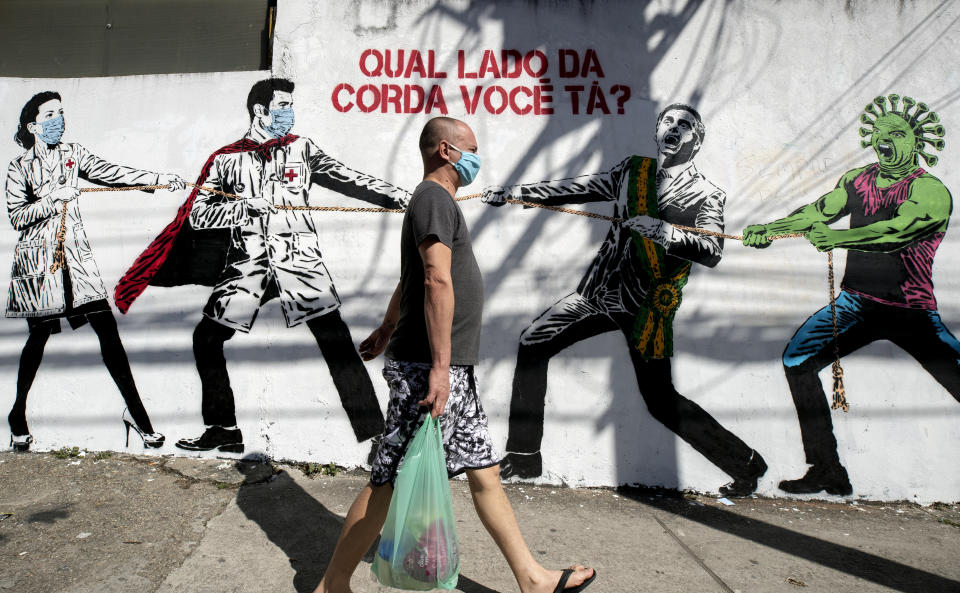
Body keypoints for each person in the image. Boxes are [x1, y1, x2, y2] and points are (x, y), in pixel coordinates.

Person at [313, 116, 596, 593]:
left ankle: (532, 579)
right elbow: (433, 279)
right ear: (447, 150)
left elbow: (409, 277)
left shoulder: (435, 202)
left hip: (448, 367)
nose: (476, 159)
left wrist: (386, 326)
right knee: (386, 480)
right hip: (430, 368)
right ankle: (331, 585)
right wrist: (440, 369)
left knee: (484, 471)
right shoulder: (432, 199)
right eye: (471, 149)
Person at [483, 104, 767, 497]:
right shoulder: (634, 171)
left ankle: (746, 464)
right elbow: (578, 187)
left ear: (696, 142)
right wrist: (517, 194)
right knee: (533, 341)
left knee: (660, 401)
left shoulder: (706, 195)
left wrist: (664, 231)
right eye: (668, 121)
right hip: (598, 292)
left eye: (685, 126)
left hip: (646, 307)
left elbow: (712, 249)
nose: (675, 128)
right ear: (657, 130)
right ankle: (525, 456)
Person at [114, 78, 410, 454]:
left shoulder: (301, 149)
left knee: (335, 343)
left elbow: (348, 178)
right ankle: (224, 429)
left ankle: (374, 435)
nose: (290, 113)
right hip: (248, 267)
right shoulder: (226, 158)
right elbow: (200, 215)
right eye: (283, 106)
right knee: (206, 339)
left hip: (299, 264)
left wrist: (402, 197)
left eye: (291, 105)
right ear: (261, 110)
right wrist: (242, 207)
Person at [742, 93, 954, 495]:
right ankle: (827, 468)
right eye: (877, 135)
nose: (883, 142)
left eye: (894, 134)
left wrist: (839, 237)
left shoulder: (930, 192)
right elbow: (818, 212)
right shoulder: (859, 180)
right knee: (798, 359)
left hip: (911, 309)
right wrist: (770, 229)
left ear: (916, 140)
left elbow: (897, 232)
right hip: (857, 303)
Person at [5, 90, 185, 451]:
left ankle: (138, 415)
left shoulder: (74, 155)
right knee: (37, 340)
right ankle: (17, 414)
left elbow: (111, 172)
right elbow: (16, 216)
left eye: (61, 113)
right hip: (40, 268)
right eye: (50, 115)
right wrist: (52, 199)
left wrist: (158, 178)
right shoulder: (19, 167)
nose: (59, 120)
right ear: (33, 126)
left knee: (108, 332)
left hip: (77, 265)